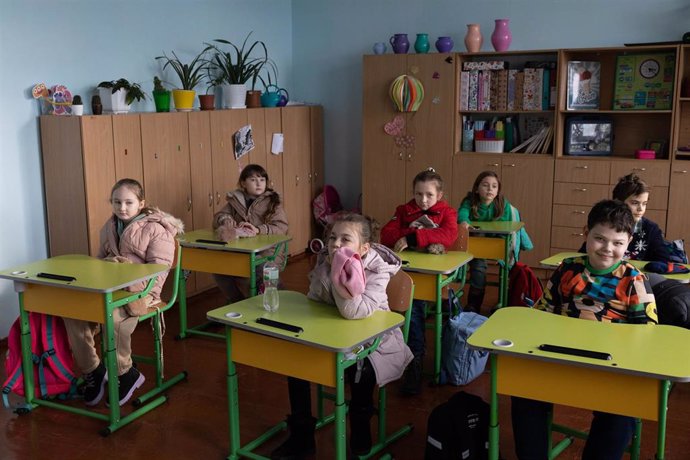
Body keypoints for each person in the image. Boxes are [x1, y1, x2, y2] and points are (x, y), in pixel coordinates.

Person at [511, 199, 657, 460]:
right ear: (585, 232)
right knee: (524, 394)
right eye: (599, 239)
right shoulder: (568, 268)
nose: (607, 249)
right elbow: (542, 313)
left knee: (621, 414)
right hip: (561, 359)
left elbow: (648, 337)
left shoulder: (634, 280)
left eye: (617, 243)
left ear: (629, 242)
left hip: (609, 369)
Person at [270, 212, 413, 459]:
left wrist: (340, 276)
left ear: (364, 248)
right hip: (332, 335)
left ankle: (360, 426)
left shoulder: (378, 270)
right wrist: (327, 269)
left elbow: (356, 311)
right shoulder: (326, 261)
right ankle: (302, 435)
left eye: (345, 239)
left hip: (375, 342)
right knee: (296, 363)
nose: (336, 244)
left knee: (362, 372)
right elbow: (314, 301)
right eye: (332, 237)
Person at [63, 178, 183, 407]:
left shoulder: (157, 229)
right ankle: (94, 370)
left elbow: (159, 272)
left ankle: (125, 373)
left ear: (141, 203)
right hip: (112, 289)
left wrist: (131, 283)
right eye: (117, 202)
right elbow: (99, 263)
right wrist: (109, 265)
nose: (122, 208)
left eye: (129, 202)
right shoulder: (108, 227)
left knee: (114, 317)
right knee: (74, 312)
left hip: (144, 291)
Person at [380, 168, 457, 395]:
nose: (423, 200)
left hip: (433, 275)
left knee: (413, 312)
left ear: (439, 195)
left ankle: (416, 360)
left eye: (429, 195)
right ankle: (400, 356)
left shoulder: (447, 212)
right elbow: (386, 234)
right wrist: (406, 230)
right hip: (406, 271)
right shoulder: (404, 210)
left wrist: (413, 237)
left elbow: (449, 236)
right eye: (418, 194)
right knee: (406, 311)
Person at [457, 170, 532, 312]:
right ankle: (473, 305)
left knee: (498, 270)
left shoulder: (502, 204)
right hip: (474, 245)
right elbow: (463, 213)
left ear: (498, 191)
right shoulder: (469, 201)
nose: (490, 189)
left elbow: (503, 227)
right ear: (477, 189)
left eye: (494, 186)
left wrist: (496, 246)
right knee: (478, 269)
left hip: (496, 241)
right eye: (485, 185)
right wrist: (464, 222)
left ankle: (501, 302)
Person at [212, 164, 288, 302]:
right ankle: (237, 302)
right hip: (242, 250)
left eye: (262, 179)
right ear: (243, 183)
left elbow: (281, 227)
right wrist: (225, 219)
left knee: (256, 270)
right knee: (219, 269)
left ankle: (277, 297)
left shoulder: (272, 202)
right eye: (253, 180)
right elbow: (218, 216)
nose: (259, 183)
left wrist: (258, 230)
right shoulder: (236, 201)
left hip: (269, 251)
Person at [579, 173, 667, 262]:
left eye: (644, 204)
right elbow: (585, 254)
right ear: (618, 202)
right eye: (635, 203)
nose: (641, 209)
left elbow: (664, 260)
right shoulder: (604, 224)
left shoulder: (651, 228)